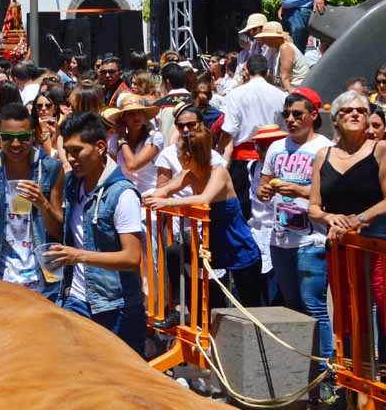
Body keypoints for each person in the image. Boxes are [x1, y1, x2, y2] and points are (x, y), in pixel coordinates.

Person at [255, 89, 334, 399]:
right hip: (281, 239)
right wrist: (265, 192)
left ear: (313, 116)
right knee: (293, 309)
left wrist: (298, 191)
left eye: (297, 114)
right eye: (286, 115)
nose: (290, 120)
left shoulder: (324, 148)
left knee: (315, 307)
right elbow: (265, 183)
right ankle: (302, 372)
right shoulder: (276, 147)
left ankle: (327, 373)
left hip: (311, 240)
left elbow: (328, 193)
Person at [44, 112, 144, 352]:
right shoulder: (72, 184)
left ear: (100, 147)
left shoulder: (123, 195)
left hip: (116, 308)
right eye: (67, 151)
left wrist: (78, 256)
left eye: (77, 151)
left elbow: (131, 258)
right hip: (76, 300)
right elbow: (63, 232)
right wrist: (42, 204)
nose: (70, 158)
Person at [146, 105, 263, 308]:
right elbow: (164, 190)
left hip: (238, 248)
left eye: (180, 154)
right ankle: (179, 307)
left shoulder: (219, 173)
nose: (178, 157)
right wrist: (143, 197)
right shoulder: (189, 174)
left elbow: (204, 198)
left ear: (189, 156)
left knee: (249, 306)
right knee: (175, 253)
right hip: (213, 248)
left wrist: (167, 203)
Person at [0, 103, 64, 299]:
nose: (15, 144)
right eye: (7, 137)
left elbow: (59, 231)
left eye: (23, 138)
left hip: (43, 279)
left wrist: (42, 203)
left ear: (33, 134)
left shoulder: (51, 169)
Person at [218, 55, 286, 221]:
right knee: (272, 209)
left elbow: (229, 130)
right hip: (273, 158)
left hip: (244, 160)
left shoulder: (235, 94)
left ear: (246, 71)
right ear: (268, 71)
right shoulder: (281, 95)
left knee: (244, 210)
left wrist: (220, 151)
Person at [310, 91, 386, 239]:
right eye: (348, 110)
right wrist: (328, 217)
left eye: (361, 111)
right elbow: (313, 208)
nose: (355, 114)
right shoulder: (323, 155)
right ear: (335, 120)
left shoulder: (381, 150)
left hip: (376, 247)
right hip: (337, 248)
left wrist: (359, 219)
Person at [105, 94, 164, 196]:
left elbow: (132, 165)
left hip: (147, 197)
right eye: (131, 113)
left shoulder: (154, 138)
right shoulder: (114, 141)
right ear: (123, 118)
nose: (136, 117)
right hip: (123, 194)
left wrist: (122, 139)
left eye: (139, 112)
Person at [254, 21, 308, 91]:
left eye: (266, 37)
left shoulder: (285, 48)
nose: (264, 40)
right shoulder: (275, 50)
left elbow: (285, 78)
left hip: (298, 89)